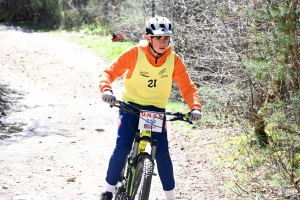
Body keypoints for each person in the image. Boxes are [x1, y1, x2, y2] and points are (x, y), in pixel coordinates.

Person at [99, 16, 202, 200]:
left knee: (162, 153)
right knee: (122, 147)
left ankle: (170, 197)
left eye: (166, 38)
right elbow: (109, 72)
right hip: (131, 106)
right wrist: (107, 89)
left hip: (155, 110)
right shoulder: (134, 53)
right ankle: (109, 190)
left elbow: (187, 87)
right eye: (158, 37)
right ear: (148, 38)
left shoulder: (174, 60)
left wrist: (195, 107)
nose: (163, 42)